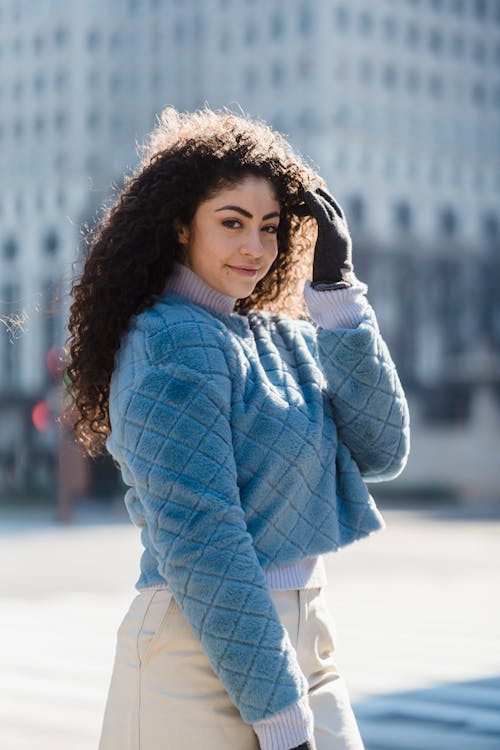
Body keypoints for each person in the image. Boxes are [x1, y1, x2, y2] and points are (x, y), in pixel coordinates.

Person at [65, 107, 410, 750]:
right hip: (193, 662)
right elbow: (204, 540)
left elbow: (383, 450)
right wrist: (283, 723)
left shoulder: (279, 336)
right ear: (179, 228)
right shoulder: (168, 339)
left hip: (307, 645)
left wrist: (335, 293)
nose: (255, 247)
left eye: (270, 227)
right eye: (231, 223)